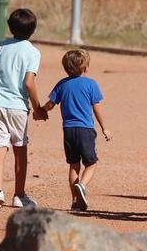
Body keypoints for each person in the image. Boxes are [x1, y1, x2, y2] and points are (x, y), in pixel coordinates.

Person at [0, 8, 47, 209]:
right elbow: (29, 83)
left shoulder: (1, 47)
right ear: (33, 30)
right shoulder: (33, 52)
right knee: (19, 149)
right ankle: (19, 194)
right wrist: (38, 108)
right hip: (17, 107)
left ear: (10, 27)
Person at [41, 49, 111, 212]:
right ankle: (82, 185)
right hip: (85, 130)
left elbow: (50, 104)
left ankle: (76, 201)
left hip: (68, 131)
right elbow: (96, 109)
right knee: (91, 163)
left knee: (74, 166)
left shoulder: (62, 84)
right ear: (85, 67)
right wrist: (104, 128)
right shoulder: (91, 84)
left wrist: (41, 111)